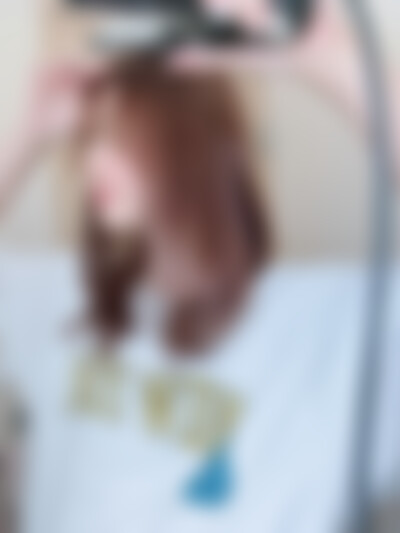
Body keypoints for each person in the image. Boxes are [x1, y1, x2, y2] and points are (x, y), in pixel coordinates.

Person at [0, 2, 398, 532]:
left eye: (121, 133)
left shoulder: (335, 329)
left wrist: (336, 64)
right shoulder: (64, 302)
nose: (93, 161)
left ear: (190, 143)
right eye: (90, 135)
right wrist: (27, 134)